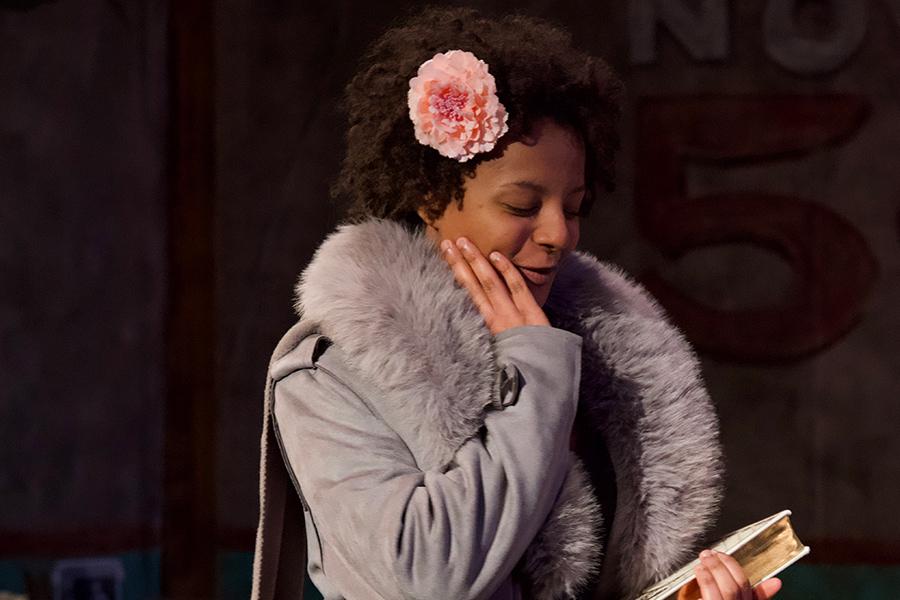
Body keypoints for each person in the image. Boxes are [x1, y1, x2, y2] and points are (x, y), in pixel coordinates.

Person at [251, 6, 783, 600]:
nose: (560, 234)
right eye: (523, 206)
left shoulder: (602, 366)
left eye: (575, 206)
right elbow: (426, 577)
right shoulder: (330, 377)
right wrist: (535, 375)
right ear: (429, 198)